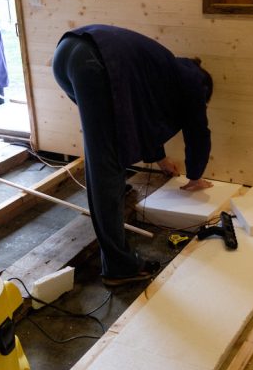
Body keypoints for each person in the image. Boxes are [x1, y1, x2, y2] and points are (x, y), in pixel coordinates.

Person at [52, 24, 214, 286]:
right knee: (107, 161)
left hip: (68, 53)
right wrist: (195, 176)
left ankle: (113, 195)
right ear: (204, 90)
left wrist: (160, 159)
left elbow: (144, 118)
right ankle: (119, 267)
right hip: (92, 64)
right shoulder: (194, 83)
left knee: (105, 150)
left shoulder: (168, 73)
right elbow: (198, 132)